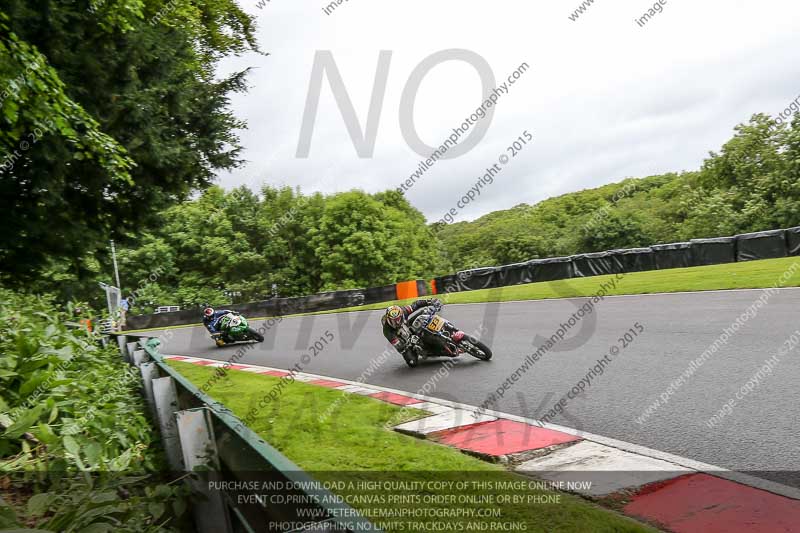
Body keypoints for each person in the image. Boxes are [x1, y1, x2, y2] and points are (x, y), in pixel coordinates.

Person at [381, 298, 465, 357]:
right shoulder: (387, 331)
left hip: (408, 325)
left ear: (401, 314)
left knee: (425, 312)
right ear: (388, 319)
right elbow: (399, 346)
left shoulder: (404, 310)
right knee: (412, 361)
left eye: (398, 319)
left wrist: (430, 301)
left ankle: (451, 329)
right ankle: (437, 350)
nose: (397, 322)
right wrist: (406, 346)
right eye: (393, 320)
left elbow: (416, 304)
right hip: (405, 338)